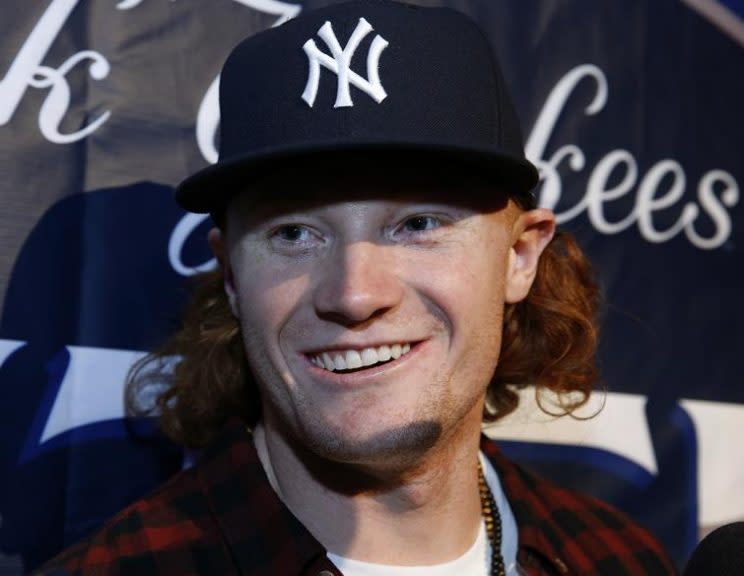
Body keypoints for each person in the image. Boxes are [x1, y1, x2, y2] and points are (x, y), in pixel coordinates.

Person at [37, 1, 678, 574]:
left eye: (419, 224)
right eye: (293, 234)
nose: (353, 294)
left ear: (519, 255)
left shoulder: (618, 558)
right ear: (231, 276)